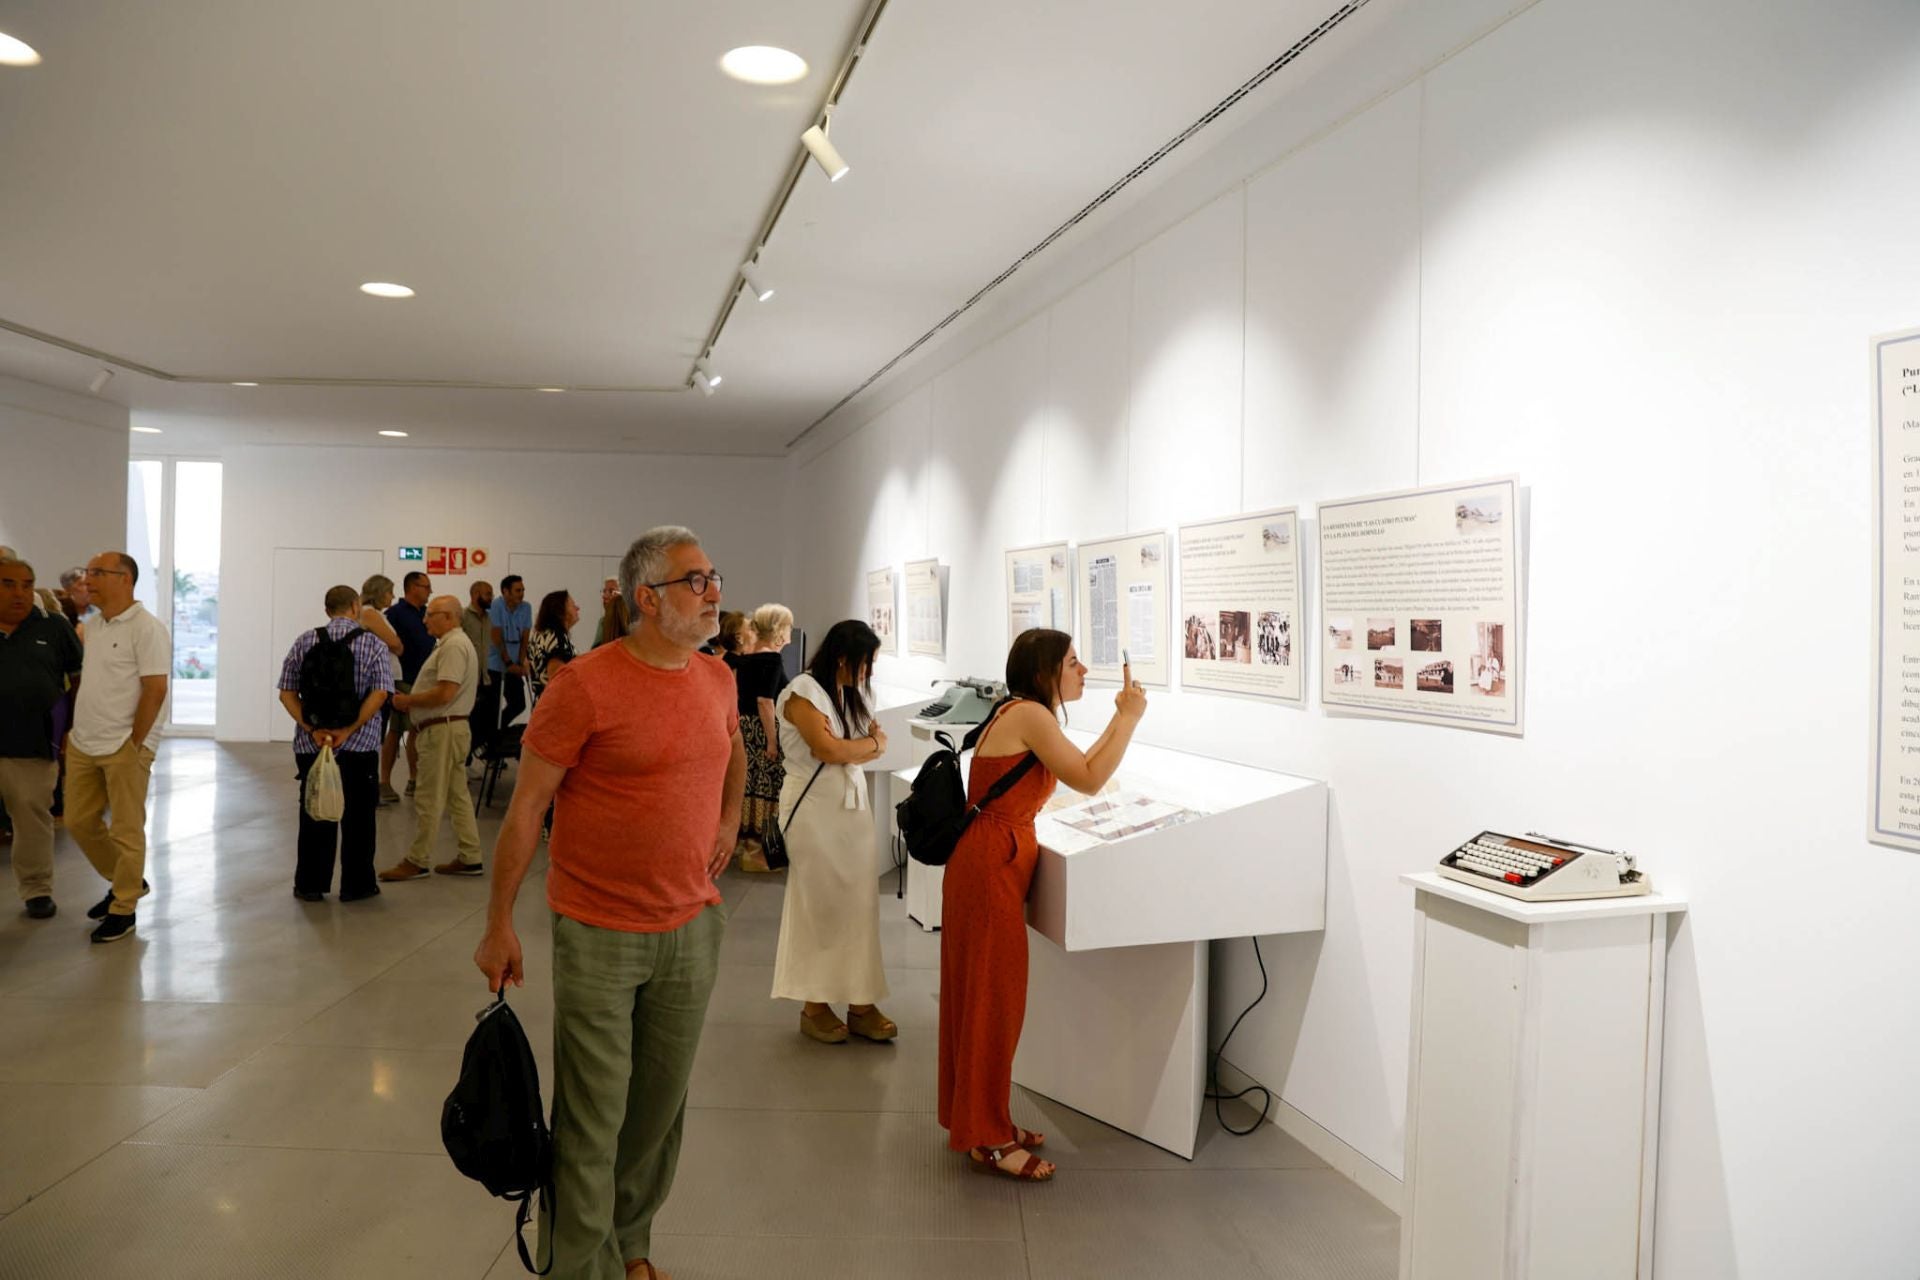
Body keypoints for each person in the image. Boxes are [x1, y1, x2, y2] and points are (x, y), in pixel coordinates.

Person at [474, 525, 743, 1280]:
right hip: (598, 929)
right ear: (647, 599)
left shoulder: (717, 678)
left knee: (658, 1111)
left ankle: (632, 1241)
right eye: (697, 580)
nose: (714, 590)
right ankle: (579, 1266)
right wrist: (498, 925)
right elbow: (526, 809)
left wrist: (727, 821)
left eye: (713, 574)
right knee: (593, 1119)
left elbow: (734, 750)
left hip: (692, 926)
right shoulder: (584, 683)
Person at [938, 628, 1147, 1180]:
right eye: (1073, 662)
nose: (1082, 672)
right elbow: (1091, 778)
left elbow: (1081, 767)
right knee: (992, 1003)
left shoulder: (1027, 713)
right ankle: (989, 1136)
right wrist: (1128, 717)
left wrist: (1120, 718)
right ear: (1044, 671)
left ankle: (985, 1120)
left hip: (990, 861)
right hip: (989, 867)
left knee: (987, 999)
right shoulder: (1031, 716)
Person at [773, 619, 893, 1044]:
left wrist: (861, 748)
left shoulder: (844, 694)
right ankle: (815, 1005)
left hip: (849, 815)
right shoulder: (804, 692)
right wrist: (873, 747)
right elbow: (829, 749)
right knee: (820, 906)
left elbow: (849, 747)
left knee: (858, 907)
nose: (868, 672)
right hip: (814, 814)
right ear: (843, 658)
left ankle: (861, 1001)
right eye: (865, 663)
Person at [67, 551, 171, 944]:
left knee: (127, 830)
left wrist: (136, 743)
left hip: (126, 745)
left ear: (124, 579)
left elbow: (156, 688)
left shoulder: (147, 628)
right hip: (84, 741)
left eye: (97, 573)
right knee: (79, 821)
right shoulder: (92, 626)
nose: (87, 580)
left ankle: (123, 908)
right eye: (87, 572)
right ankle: (127, 880)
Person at [276, 584, 393, 901]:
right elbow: (380, 693)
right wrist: (350, 728)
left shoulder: (305, 641)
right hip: (359, 747)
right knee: (359, 818)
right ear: (356, 607)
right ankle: (358, 885)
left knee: (314, 813)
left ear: (327, 610)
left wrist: (312, 728)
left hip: (312, 746)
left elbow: (286, 692)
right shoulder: (373, 644)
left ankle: (310, 885)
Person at [0, 557, 83, 918]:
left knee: (33, 818)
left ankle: (36, 890)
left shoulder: (53, 627)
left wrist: (69, 731)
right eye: (8, 584)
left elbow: (79, 681)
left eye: (27, 584)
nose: (19, 593)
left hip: (32, 745)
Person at [378, 595, 483, 882]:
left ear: (449, 617)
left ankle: (417, 860)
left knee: (428, 797)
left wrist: (408, 701)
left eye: (431, 614)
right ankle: (470, 855)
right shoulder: (453, 645)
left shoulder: (453, 646)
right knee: (456, 795)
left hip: (443, 729)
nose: (425, 619)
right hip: (449, 728)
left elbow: (445, 692)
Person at [731, 605, 791, 872]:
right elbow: (765, 701)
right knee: (767, 787)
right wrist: (772, 741)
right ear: (779, 629)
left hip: (745, 728)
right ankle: (760, 852)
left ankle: (746, 845)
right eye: (788, 626)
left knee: (749, 785)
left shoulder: (746, 657)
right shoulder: (771, 659)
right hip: (761, 729)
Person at [381, 571, 433, 804]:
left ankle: (414, 779)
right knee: (396, 729)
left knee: (416, 729)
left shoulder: (426, 613)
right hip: (402, 679)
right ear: (412, 587)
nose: (429, 591)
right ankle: (384, 782)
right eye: (426, 586)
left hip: (423, 679)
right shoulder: (394, 614)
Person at [489, 573, 532, 741]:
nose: (521, 593)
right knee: (492, 706)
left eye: (522, 590)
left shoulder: (526, 607)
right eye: (517, 590)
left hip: (514, 662)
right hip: (495, 663)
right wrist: (508, 663)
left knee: (518, 703)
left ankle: (497, 733)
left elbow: (525, 637)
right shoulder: (496, 606)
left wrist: (520, 662)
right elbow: (496, 636)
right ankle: (488, 738)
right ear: (505, 592)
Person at [462, 580, 497, 761]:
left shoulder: (488, 618)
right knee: (466, 723)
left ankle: (469, 760)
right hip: (467, 680)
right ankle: (463, 763)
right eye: (488, 594)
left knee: (481, 723)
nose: (491, 597)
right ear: (476, 594)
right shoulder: (463, 616)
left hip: (484, 679)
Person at [525, 589, 578, 704]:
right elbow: (557, 676)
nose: (577, 608)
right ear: (561, 611)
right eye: (573, 605)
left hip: (541, 702)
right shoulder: (557, 637)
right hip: (556, 704)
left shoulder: (539, 635)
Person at [591, 576, 629, 649]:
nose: (605, 596)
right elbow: (596, 651)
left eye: (611, 591)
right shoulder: (602, 621)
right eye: (604, 591)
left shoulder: (634, 621)